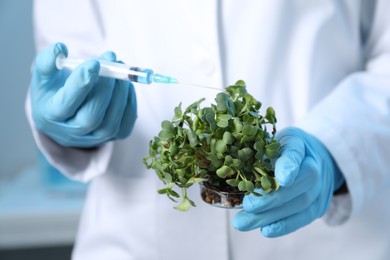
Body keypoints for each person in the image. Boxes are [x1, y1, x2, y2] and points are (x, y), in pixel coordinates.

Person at [26, 1, 390, 259]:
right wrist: (71, 117)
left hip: (336, 241)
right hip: (135, 240)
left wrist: (334, 147)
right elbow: (68, 57)